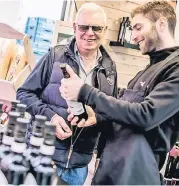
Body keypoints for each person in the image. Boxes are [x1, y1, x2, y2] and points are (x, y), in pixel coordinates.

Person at [60, 1, 179, 185]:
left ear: (161, 24)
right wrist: (97, 118)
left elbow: (146, 115)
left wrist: (85, 92)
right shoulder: (144, 72)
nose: (133, 36)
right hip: (111, 172)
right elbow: (124, 118)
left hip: (135, 177)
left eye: (138, 27)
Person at [17, 3, 117, 185]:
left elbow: (112, 114)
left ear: (105, 30)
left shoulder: (109, 70)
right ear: (74, 28)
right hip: (43, 157)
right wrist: (51, 117)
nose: (90, 33)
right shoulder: (55, 56)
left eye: (96, 28)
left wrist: (97, 118)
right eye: (84, 27)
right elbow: (24, 93)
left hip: (78, 168)